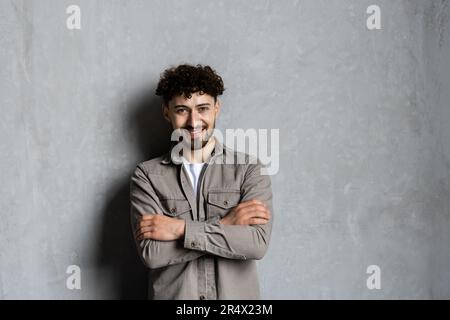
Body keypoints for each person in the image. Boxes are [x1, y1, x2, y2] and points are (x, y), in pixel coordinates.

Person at [130, 64, 273, 300]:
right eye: (182, 110)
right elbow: (152, 253)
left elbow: (256, 244)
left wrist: (179, 229)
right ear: (166, 112)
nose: (193, 121)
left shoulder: (249, 170)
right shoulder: (146, 176)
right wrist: (227, 224)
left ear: (217, 108)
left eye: (203, 108)